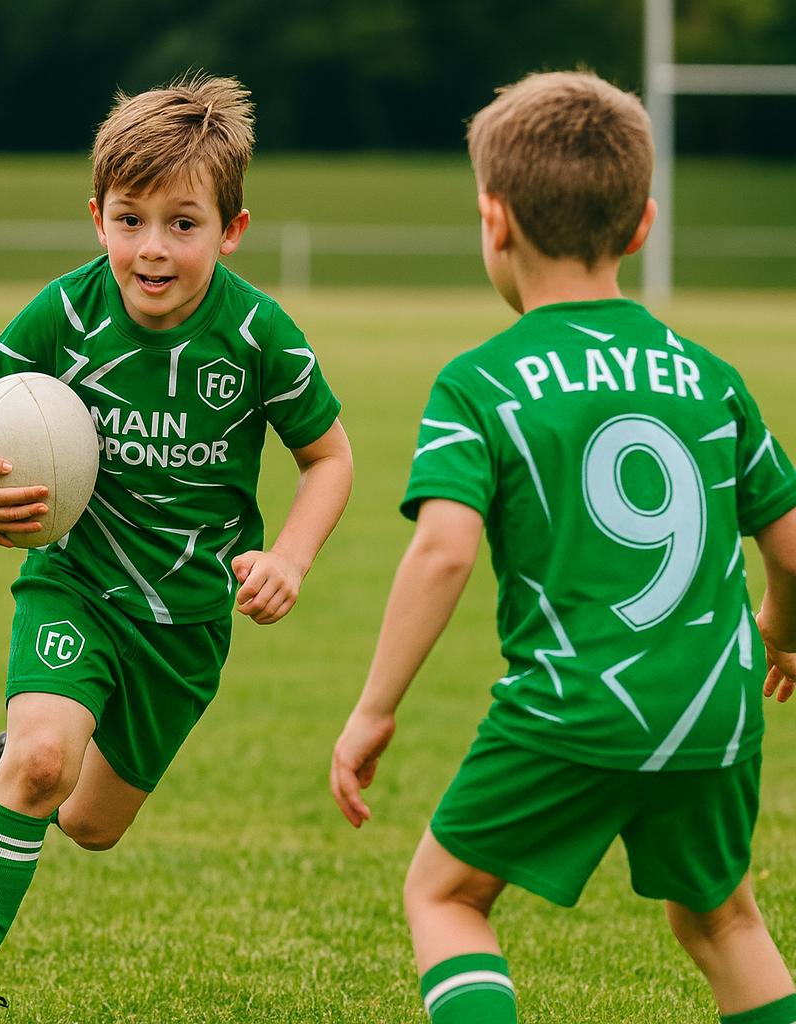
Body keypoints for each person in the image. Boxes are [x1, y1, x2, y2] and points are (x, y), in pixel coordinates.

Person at [330, 70, 796, 1024]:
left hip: (573, 708)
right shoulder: (711, 378)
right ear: (642, 224)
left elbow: (444, 553)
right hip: (712, 713)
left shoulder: (476, 384)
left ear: (493, 220)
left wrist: (375, 710)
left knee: (447, 896)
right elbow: (791, 550)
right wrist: (779, 632)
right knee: (726, 925)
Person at [0, 73, 352, 1024]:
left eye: (183, 223)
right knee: (38, 763)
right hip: (75, 585)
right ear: (98, 218)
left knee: (90, 822)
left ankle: (36, 758)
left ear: (230, 231)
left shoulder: (257, 334)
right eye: (130, 219)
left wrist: (292, 556)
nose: (153, 248)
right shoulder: (65, 314)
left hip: (186, 622)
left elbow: (329, 457)